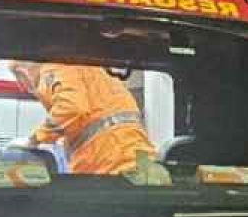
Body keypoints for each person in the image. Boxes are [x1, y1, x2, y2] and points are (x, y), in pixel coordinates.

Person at [9, 61, 156, 176]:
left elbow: (71, 108)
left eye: (20, 81)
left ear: (22, 74)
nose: (24, 88)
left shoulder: (53, 68)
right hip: (129, 157)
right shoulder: (84, 69)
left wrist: (34, 140)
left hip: (110, 160)